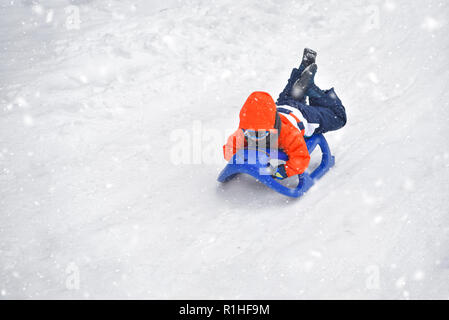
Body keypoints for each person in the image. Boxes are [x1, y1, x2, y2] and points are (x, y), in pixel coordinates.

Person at [223, 48, 347, 180]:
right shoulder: (243, 133)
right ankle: (304, 68)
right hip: (282, 106)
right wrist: (238, 158)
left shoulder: (287, 134)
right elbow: (229, 149)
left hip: (303, 115)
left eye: (263, 133)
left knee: (338, 117)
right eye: (250, 133)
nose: (257, 138)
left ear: (273, 128)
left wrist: (285, 171)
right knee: (292, 94)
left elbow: (301, 157)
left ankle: (313, 91)